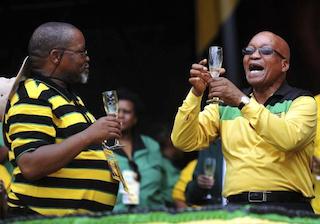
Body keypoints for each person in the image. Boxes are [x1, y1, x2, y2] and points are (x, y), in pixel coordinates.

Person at [171, 31, 316, 212]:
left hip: (288, 208)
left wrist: (242, 101)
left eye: (265, 50)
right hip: (237, 209)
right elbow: (183, 140)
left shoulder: (302, 101)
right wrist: (196, 94)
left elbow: (289, 139)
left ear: (284, 64)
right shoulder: (226, 106)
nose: (254, 55)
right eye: (248, 51)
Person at [2, 22, 122, 216]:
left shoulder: (67, 97)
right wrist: (90, 135)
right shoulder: (34, 95)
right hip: (39, 218)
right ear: (56, 56)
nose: (87, 58)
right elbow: (30, 164)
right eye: (81, 52)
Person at [112, 87, 179, 212]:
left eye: (126, 112)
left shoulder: (151, 145)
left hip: (153, 216)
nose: (120, 115)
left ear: (135, 119)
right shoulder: (102, 147)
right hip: (116, 218)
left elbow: (170, 183)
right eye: (117, 111)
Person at [185, 140, 224, 206]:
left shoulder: (246, 144)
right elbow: (191, 197)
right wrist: (199, 184)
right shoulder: (210, 146)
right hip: (215, 213)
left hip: (243, 211)